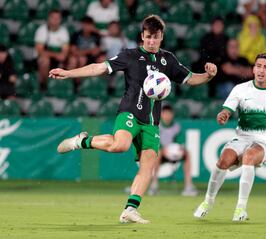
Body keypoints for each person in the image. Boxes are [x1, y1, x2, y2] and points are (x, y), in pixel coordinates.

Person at [49, 15, 217, 224]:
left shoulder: (168, 60)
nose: (151, 42)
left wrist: (208, 75)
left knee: (148, 165)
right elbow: (99, 67)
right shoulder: (130, 56)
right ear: (142, 36)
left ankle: (130, 209)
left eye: (155, 38)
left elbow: (191, 78)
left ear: (161, 37)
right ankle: (82, 141)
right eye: (148, 37)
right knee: (120, 145)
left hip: (152, 122)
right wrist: (68, 73)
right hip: (130, 112)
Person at [194, 53, 266, 222]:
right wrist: (223, 115)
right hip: (242, 137)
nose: (261, 70)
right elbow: (227, 110)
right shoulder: (240, 89)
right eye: (258, 66)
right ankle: (207, 202)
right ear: (253, 69)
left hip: (265, 141)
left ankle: (240, 208)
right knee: (223, 160)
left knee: (248, 157)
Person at [148, 104, 198, 196]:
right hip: (161, 153)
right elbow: (154, 142)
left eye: (169, 114)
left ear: (172, 115)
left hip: (174, 152)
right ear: (161, 114)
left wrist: (180, 149)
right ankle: (154, 185)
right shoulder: (156, 126)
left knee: (187, 154)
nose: (167, 116)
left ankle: (188, 185)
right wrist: (163, 149)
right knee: (157, 153)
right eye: (165, 113)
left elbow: (180, 142)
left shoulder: (176, 127)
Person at [35, 10, 69, 89]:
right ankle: (44, 85)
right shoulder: (42, 30)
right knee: (44, 60)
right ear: (49, 18)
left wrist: (60, 56)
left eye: (58, 18)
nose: (55, 20)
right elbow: (40, 51)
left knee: (72, 61)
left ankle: (69, 87)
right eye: (53, 17)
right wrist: (56, 55)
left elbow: (64, 53)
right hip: (45, 59)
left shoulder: (64, 32)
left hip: (58, 60)